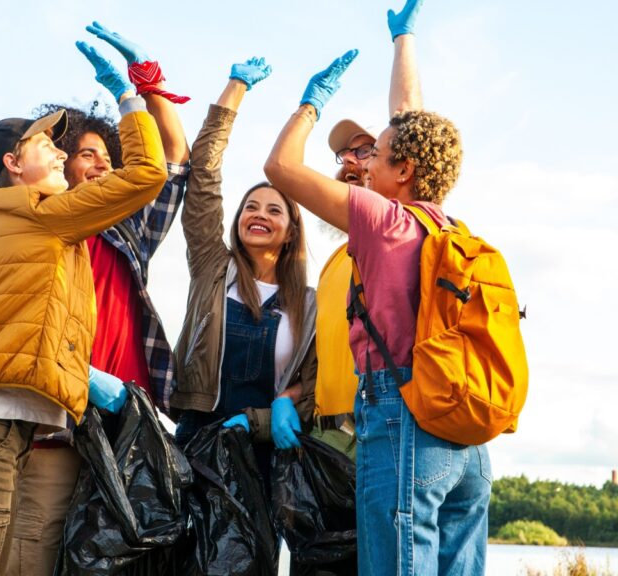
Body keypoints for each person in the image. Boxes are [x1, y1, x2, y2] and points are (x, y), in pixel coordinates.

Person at [0, 30, 168, 576]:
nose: (59, 151)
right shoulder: (34, 210)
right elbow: (150, 175)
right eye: (45, 145)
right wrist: (128, 98)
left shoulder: (3, 218)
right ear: (12, 162)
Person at [264, 4, 492, 574]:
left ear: (404, 172)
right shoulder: (449, 228)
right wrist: (404, 42)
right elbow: (411, 120)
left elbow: (281, 167)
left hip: (400, 419)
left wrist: (311, 103)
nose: (366, 167)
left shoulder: (386, 223)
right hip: (464, 436)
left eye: (378, 157)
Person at [4, 22, 190, 575]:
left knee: (121, 555)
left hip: (123, 414)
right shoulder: (37, 226)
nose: (103, 163)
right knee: (45, 538)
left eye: (109, 154)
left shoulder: (128, 228)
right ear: (60, 162)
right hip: (56, 410)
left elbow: (174, 160)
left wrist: (143, 82)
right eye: (87, 154)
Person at [170, 57, 317, 485]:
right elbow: (204, 179)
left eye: (274, 210)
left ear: (291, 233)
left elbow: (314, 387)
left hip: (268, 455)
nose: (259, 215)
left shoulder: (308, 305)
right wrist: (235, 88)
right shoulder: (212, 268)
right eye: (250, 206)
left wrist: (268, 417)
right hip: (196, 443)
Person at [312, 0, 427, 462]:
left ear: (396, 166)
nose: (353, 162)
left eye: (367, 151)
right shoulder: (332, 264)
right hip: (325, 439)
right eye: (345, 155)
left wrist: (403, 42)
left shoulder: (400, 227)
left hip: (385, 425)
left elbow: (410, 122)